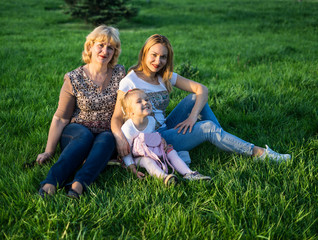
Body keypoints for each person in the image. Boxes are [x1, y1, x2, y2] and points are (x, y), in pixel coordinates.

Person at [111, 34, 291, 165]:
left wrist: (192, 117)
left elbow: (202, 89)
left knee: (193, 99)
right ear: (144, 53)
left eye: (163, 56)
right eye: (154, 55)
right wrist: (120, 139)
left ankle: (221, 139)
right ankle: (259, 153)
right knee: (209, 128)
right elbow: (117, 118)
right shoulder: (130, 81)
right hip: (155, 137)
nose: (158, 61)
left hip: (167, 126)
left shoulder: (165, 77)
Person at [36, 25, 125, 199]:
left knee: (107, 138)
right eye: (100, 45)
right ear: (90, 46)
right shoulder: (73, 78)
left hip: (106, 131)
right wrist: (49, 151)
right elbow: (60, 118)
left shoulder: (120, 73)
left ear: (115, 52)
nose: (104, 51)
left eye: (110, 48)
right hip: (77, 130)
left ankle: (79, 184)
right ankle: (51, 181)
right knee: (84, 137)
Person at [120, 88, 211, 185]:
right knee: (147, 161)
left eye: (146, 99)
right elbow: (126, 150)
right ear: (129, 112)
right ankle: (165, 178)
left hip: (150, 150)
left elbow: (151, 136)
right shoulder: (128, 127)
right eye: (139, 101)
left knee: (171, 152)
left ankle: (189, 173)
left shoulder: (151, 121)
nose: (145, 102)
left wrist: (160, 140)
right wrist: (131, 166)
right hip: (137, 157)